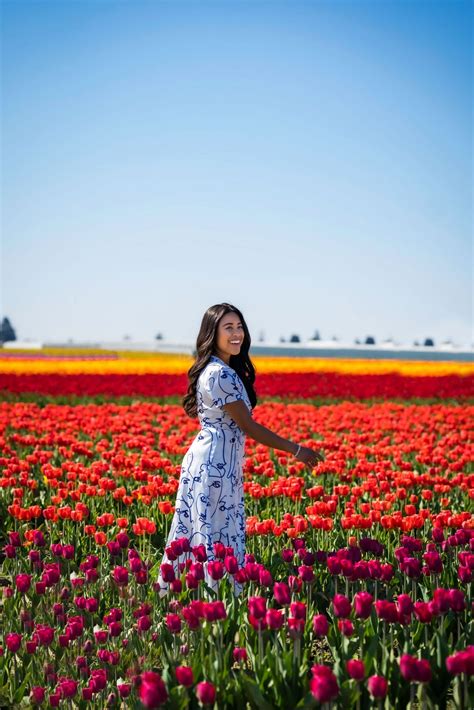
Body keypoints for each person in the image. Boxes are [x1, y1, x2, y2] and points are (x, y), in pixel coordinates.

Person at [156, 302, 325, 596]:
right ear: (213, 333)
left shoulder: (218, 369)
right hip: (214, 465)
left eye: (239, 327)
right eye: (228, 328)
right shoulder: (220, 375)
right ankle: (212, 602)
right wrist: (296, 450)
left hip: (218, 461)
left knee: (204, 530)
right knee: (213, 533)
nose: (237, 334)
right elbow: (248, 426)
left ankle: (192, 599)